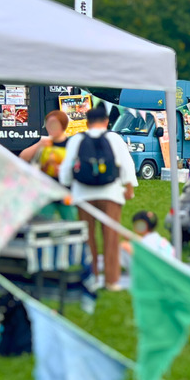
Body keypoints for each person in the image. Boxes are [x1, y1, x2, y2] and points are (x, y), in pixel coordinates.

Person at [59, 104, 138, 291]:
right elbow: (126, 164)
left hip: (83, 194)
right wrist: (129, 188)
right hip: (111, 194)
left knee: (88, 238)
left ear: (87, 123)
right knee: (111, 238)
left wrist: (67, 185)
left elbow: (66, 168)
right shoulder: (114, 138)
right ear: (106, 121)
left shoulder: (77, 139)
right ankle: (111, 281)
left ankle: (91, 277)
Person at [20, 109, 77, 220]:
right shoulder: (42, 142)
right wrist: (39, 145)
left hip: (66, 190)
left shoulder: (71, 144)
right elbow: (23, 157)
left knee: (70, 221)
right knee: (44, 221)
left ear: (63, 125)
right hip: (44, 191)